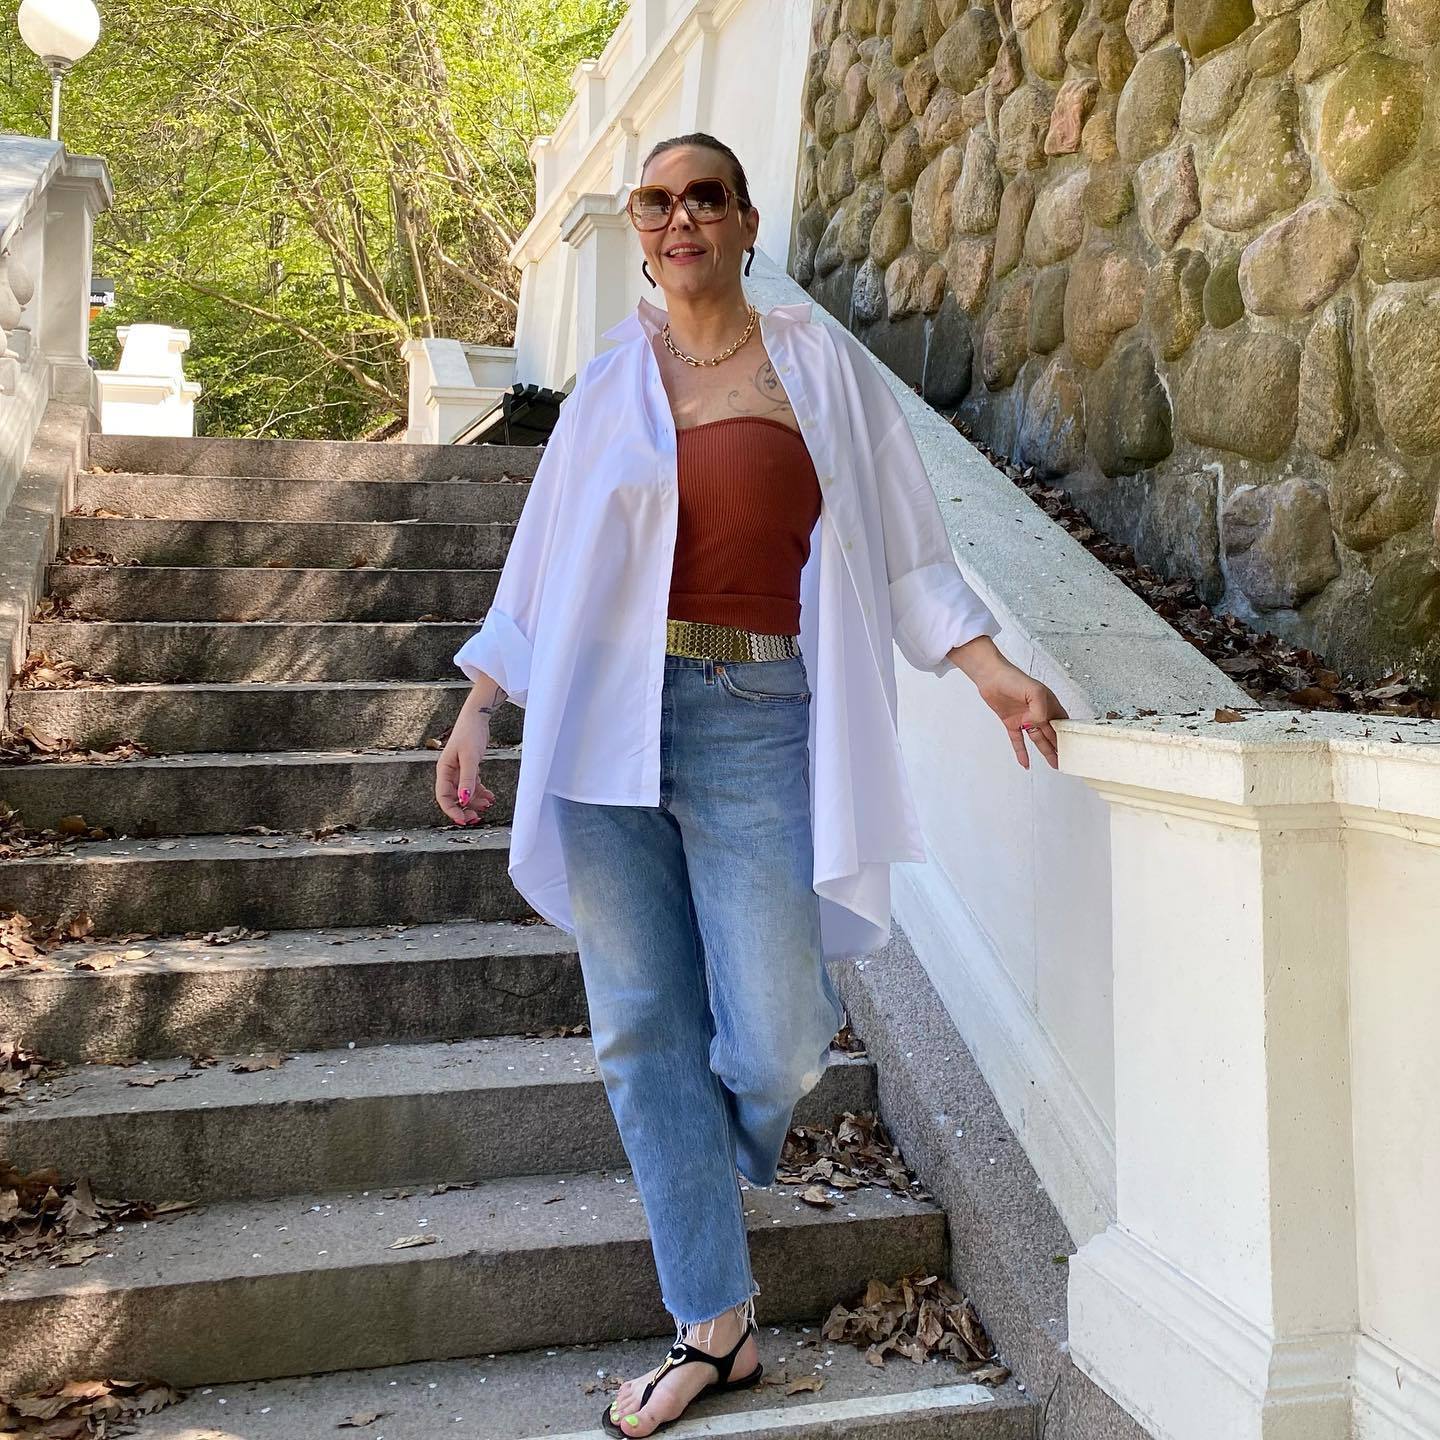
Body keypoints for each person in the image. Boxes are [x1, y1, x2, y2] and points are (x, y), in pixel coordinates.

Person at [436, 132, 1067, 1437]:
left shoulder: (816, 368)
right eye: (657, 202)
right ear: (639, 228)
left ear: (743, 220)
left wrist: (989, 667)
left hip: (758, 714)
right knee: (640, 1033)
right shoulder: (608, 384)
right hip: (603, 726)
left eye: (704, 198)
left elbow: (906, 548)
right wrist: (482, 704)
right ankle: (713, 1331)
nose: (680, 220)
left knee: (776, 1032)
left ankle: (688, 1152)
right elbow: (541, 566)